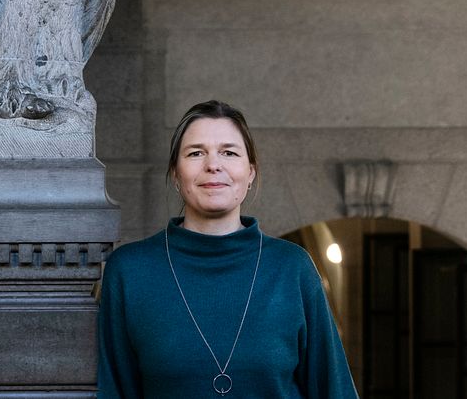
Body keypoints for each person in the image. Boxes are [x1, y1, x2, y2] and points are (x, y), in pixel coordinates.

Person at [97, 100, 358, 398]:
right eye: (196, 153)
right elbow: (113, 390)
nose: (213, 165)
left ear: (250, 173)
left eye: (229, 152)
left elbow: (334, 390)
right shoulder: (130, 272)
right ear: (175, 174)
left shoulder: (292, 268)